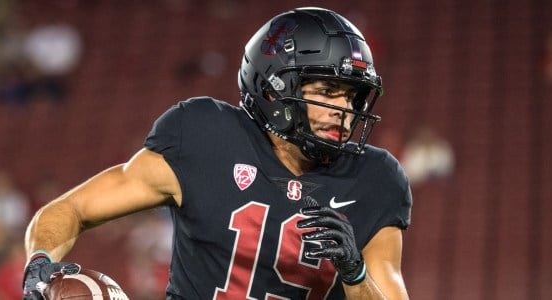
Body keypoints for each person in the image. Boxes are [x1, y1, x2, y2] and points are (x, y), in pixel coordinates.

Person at [22, 7, 412, 299]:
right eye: (328, 92)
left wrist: (355, 274)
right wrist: (39, 261)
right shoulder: (204, 135)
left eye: (353, 96)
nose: (344, 111)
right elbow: (72, 209)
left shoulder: (375, 178)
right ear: (274, 89)